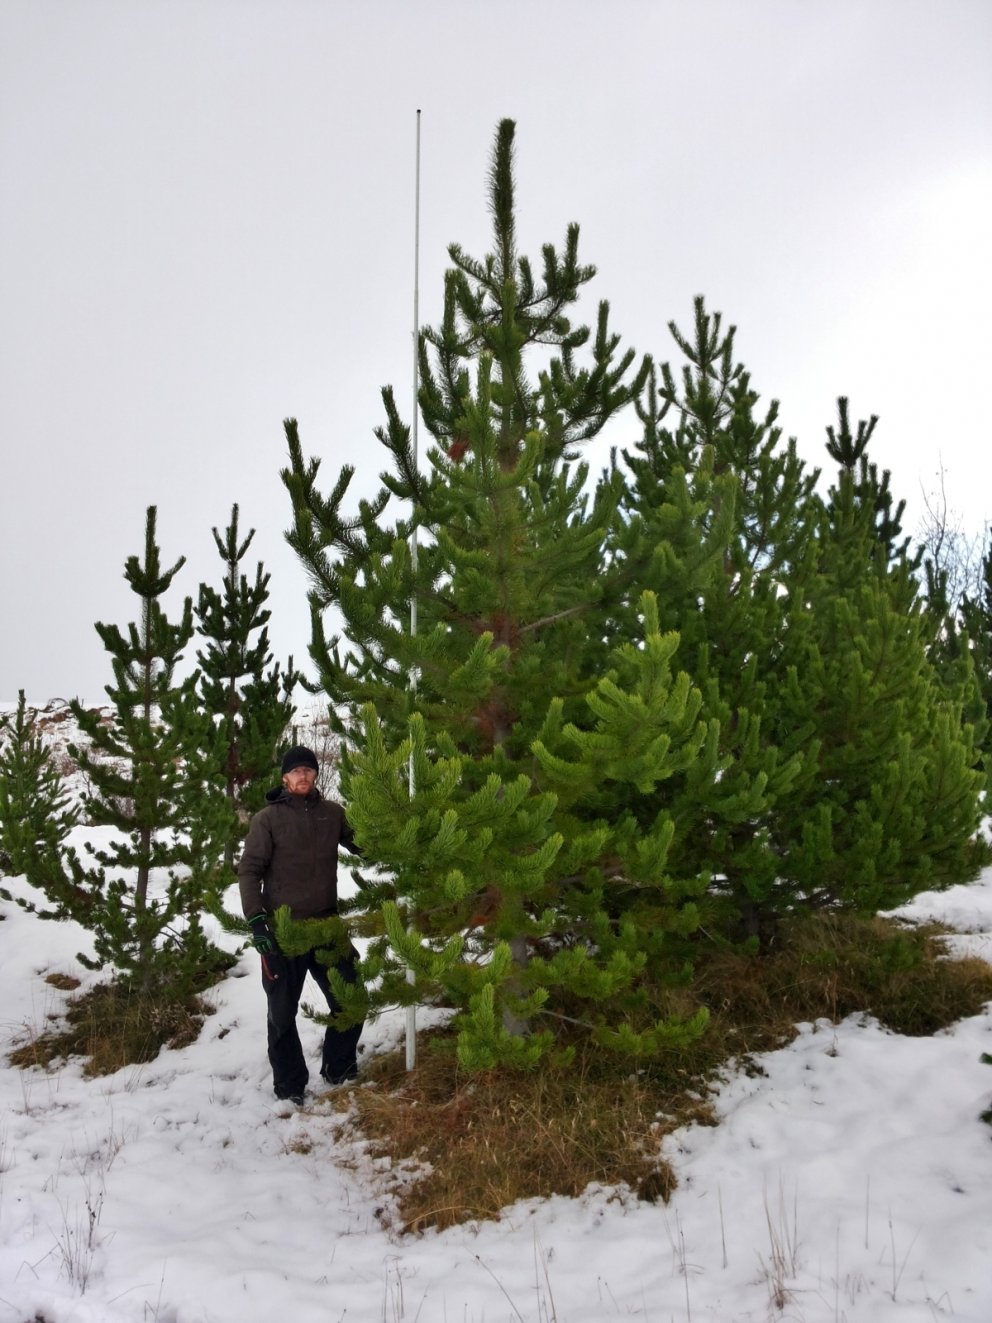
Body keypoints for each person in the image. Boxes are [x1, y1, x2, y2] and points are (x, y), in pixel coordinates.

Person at [238, 745, 364, 1104]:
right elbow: (249, 870)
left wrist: (394, 835)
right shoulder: (268, 819)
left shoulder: (332, 814)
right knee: (281, 1015)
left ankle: (339, 1068)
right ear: (284, 778)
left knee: (351, 997)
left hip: (327, 927)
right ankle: (290, 1086)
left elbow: (363, 845)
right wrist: (258, 921)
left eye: (309, 770)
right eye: (296, 771)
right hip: (283, 933)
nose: (303, 775)